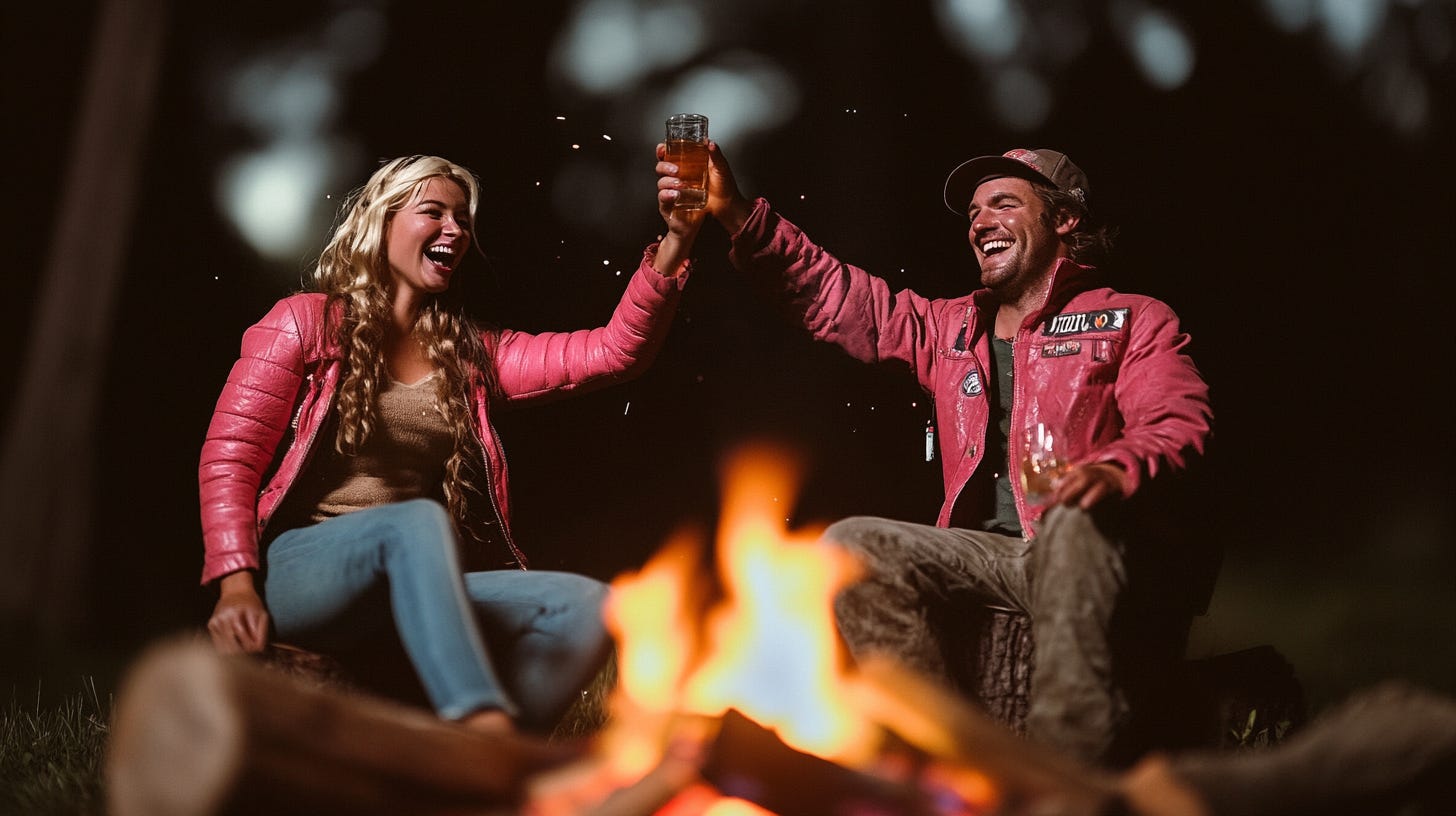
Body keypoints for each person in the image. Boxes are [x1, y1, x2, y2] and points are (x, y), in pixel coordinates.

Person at [657, 144, 1212, 763]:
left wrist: (1115, 468)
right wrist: (736, 214)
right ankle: (940, 757)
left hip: (1094, 547)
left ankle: (1064, 771)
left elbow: (1176, 419)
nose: (979, 223)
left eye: (1003, 203)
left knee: (1073, 522)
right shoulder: (947, 329)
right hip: (993, 555)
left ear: (1064, 219)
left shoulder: (1131, 318)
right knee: (853, 544)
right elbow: (833, 295)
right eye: (973, 213)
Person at [202, 154, 702, 736]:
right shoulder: (301, 323)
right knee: (411, 522)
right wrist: (235, 584)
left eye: (463, 219)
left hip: (418, 574)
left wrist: (675, 240)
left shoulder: (470, 355)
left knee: (589, 607)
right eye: (432, 212)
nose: (455, 230)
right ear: (382, 222)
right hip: (301, 575)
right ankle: (483, 733)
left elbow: (615, 353)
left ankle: (475, 760)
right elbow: (230, 458)